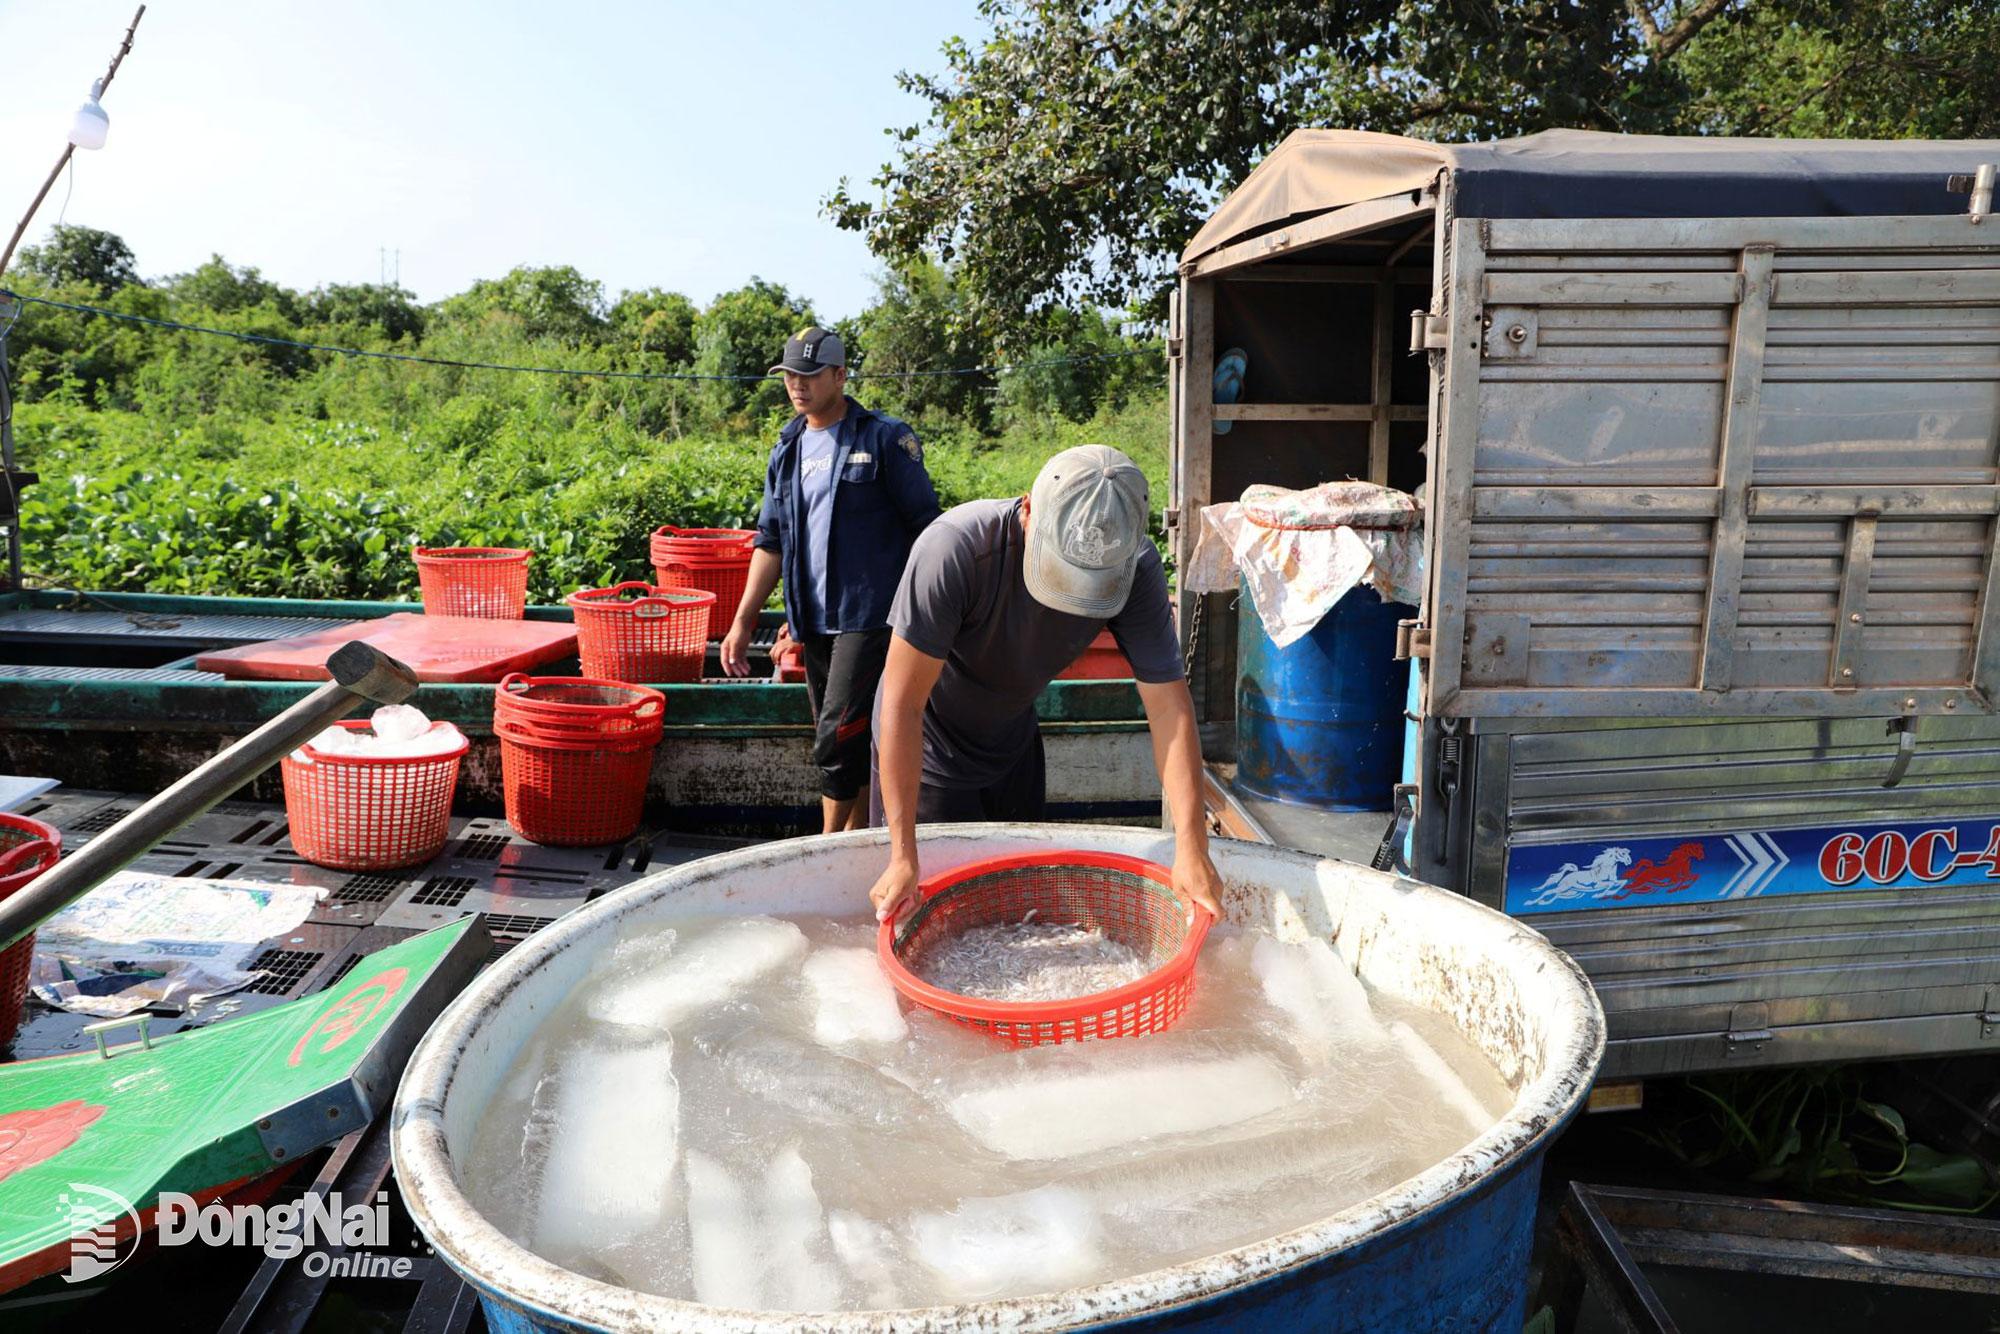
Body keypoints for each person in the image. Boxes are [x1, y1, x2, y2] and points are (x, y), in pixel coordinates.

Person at [865, 444, 1225, 922]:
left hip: (1012, 743)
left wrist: (1193, 845)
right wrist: (902, 853)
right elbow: (902, 704)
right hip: (928, 753)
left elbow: (1168, 709)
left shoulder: (1134, 568)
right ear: (1029, 508)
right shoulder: (955, 550)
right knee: (932, 919)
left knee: (1017, 917)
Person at [720, 326, 942, 833]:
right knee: (852, 737)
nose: (797, 386)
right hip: (812, 617)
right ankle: (859, 842)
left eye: (810, 375)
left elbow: (927, 527)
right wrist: (742, 621)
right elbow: (771, 539)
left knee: (835, 736)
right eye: (790, 376)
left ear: (840, 376)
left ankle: (825, 845)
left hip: (872, 614)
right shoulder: (789, 448)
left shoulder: (883, 438)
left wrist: (934, 610)